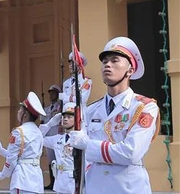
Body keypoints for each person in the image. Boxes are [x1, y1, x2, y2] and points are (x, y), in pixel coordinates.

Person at [68, 37, 160, 194]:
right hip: (95, 187)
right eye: (104, 62)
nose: (107, 65)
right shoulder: (90, 110)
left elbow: (130, 153)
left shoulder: (144, 107)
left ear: (130, 70)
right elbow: (81, 157)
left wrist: (87, 145)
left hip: (127, 188)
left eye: (115, 60)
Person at [0, 91, 46, 194]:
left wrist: (2, 175)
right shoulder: (38, 132)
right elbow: (22, 155)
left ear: (25, 114)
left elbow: (12, 159)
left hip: (22, 180)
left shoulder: (18, 132)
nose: (18, 112)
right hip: (36, 181)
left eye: (21, 109)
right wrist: (1, 150)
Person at [40, 102, 77, 194]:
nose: (65, 119)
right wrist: (49, 124)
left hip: (74, 183)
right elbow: (37, 139)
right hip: (60, 182)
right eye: (64, 117)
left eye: (69, 117)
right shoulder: (57, 139)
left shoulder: (81, 139)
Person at [40, 84, 62, 190]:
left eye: (53, 93)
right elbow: (42, 121)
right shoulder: (47, 109)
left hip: (57, 135)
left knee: (58, 159)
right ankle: (52, 182)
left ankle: (58, 181)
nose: (51, 95)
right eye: (50, 93)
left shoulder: (60, 107)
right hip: (48, 137)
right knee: (50, 160)